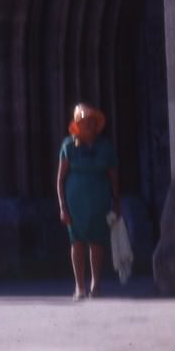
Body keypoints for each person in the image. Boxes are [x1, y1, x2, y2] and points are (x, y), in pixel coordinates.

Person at [56, 102, 120, 299]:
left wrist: (117, 203)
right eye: (85, 123)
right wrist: (62, 206)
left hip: (99, 201)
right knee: (77, 242)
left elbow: (114, 177)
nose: (89, 126)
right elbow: (60, 178)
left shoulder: (105, 147)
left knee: (97, 241)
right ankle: (79, 286)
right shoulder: (68, 146)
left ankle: (96, 284)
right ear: (77, 125)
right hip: (76, 203)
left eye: (92, 123)